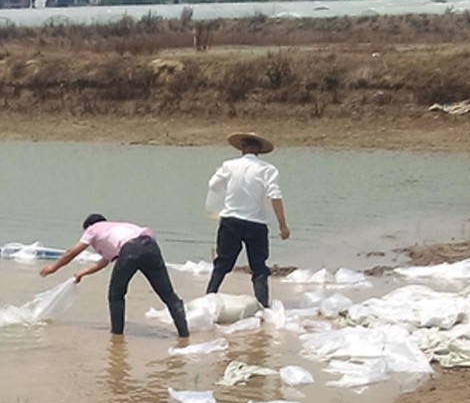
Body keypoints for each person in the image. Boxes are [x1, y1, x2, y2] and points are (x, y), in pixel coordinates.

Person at [40, 214, 189, 338]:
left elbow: (72, 252)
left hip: (130, 249)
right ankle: (184, 335)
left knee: (116, 295)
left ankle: (117, 336)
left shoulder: (93, 228)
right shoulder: (116, 229)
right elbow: (103, 262)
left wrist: (53, 267)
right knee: (168, 295)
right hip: (150, 247)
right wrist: (82, 273)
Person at [205, 132, 290, 307]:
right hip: (256, 224)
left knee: (222, 263)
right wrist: (283, 225)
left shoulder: (228, 165)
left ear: (242, 149)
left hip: (230, 221)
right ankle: (263, 306)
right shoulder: (268, 169)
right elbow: (275, 196)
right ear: (258, 150)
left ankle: (209, 297)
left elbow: (213, 185)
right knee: (259, 267)